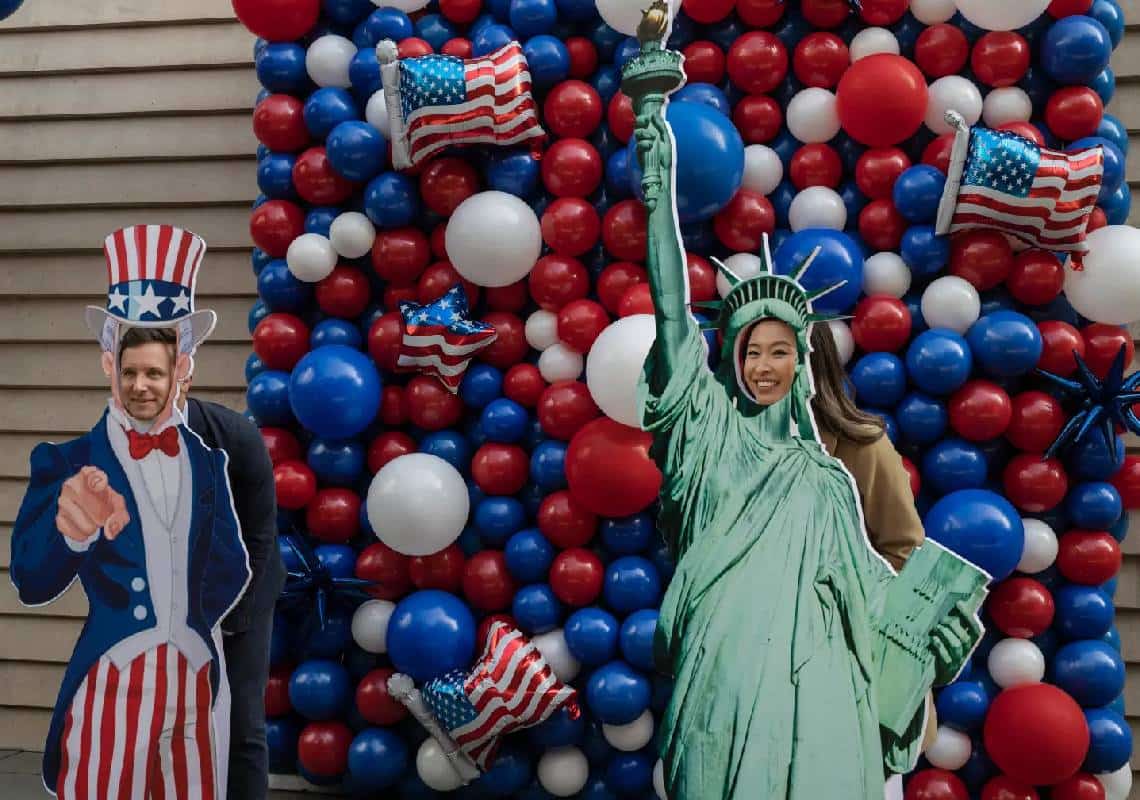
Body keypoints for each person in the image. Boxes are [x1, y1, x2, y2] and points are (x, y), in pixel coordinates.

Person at [626, 38, 984, 800]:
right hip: (723, 676)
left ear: (802, 364)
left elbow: (877, 599)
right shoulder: (705, 432)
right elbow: (670, 308)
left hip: (826, 691)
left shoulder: (827, 480)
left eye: (779, 351)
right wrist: (657, 180)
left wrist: (935, 641)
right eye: (749, 349)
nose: (762, 364)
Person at [9, 224, 251, 799]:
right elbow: (30, 582)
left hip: (195, 682)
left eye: (156, 372)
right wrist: (72, 535)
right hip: (112, 682)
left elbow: (233, 567)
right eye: (130, 371)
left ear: (182, 372)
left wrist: (192, 631)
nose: (141, 385)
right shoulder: (67, 462)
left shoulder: (206, 461)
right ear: (108, 365)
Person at [179, 372, 286, 800]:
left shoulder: (237, 438)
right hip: (171, 586)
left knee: (241, 721)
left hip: (248, 581)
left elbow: (260, 539)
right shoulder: (116, 442)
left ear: (183, 378)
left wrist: (232, 621)